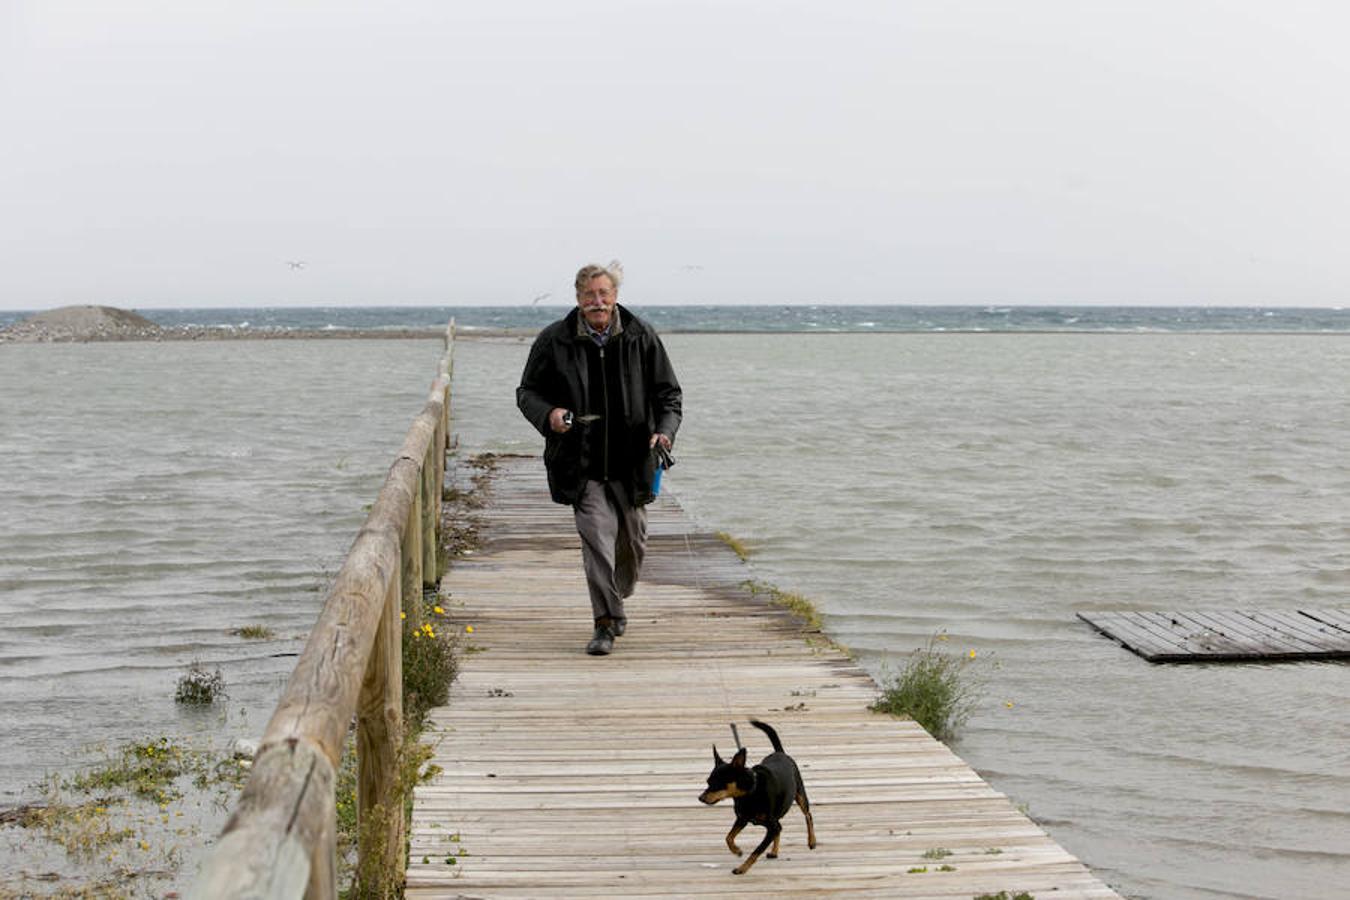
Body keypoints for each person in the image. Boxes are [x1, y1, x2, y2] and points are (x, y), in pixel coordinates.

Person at [516, 262, 683, 655]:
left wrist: (665, 431)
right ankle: (604, 622)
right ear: (577, 298)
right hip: (581, 463)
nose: (598, 302)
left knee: (633, 545)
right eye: (590, 295)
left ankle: (616, 597)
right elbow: (527, 393)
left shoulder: (642, 336)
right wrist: (550, 415)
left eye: (604, 294)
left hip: (633, 464)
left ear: (615, 296)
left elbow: (669, 395)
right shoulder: (554, 340)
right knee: (597, 544)